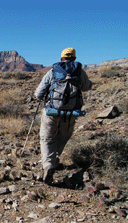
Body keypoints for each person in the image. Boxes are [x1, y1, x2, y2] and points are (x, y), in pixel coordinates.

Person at [34, 48, 92, 184]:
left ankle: (49, 165)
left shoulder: (53, 71)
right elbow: (86, 87)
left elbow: (38, 94)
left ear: (61, 59)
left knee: (47, 138)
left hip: (51, 111)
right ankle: (54, 160)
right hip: (71, 112)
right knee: (63, 136)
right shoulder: (79, 71)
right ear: (74, 58)